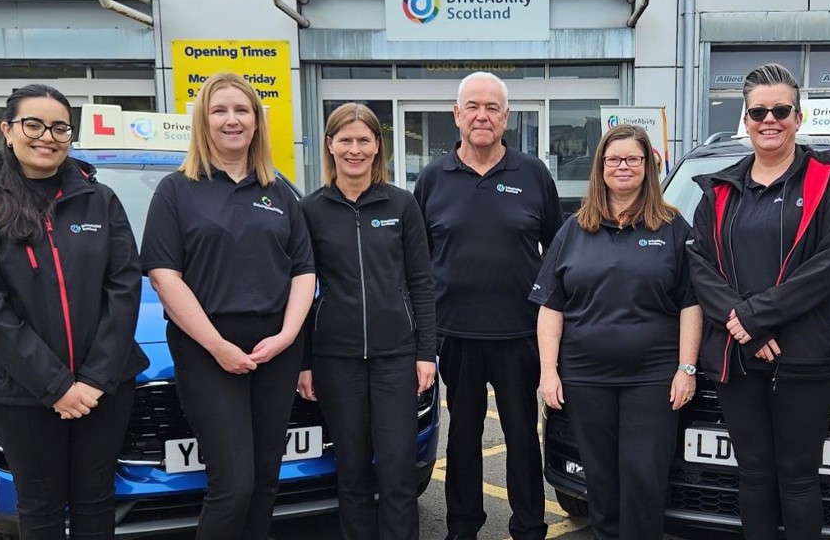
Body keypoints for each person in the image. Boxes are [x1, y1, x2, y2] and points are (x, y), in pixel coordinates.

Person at [687, 63, 830, 540]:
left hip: (805, 354)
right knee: (755, 473)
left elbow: (829, 265)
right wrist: (747, 326)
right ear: (745, 119)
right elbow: (700, 265)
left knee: (798, 475)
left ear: (798, 117)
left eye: (780, 110)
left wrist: (755, 317)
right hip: (737, 352)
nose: (770, 119)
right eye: (758, 111)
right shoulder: (719, 189)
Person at [141, 73, 315, 540]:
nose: (232, 120)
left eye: (242, 110)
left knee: (264, 482)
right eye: (220, 110)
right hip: (206, 349)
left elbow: (304, 270)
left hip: (275, 349)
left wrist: (286, 337)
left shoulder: (279, 191)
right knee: (233, 484)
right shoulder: (177, 191)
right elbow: (164, 276)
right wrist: (217, 345)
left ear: (257, 123)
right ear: (203, 121)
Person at [0, 85, 148, 540]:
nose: (47, 137)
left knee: (97, 501)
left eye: (59, 127)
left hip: (104, 387)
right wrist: (56, 386)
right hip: (23, 391)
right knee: (41, 509)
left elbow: (124, 284)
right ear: (7, 130)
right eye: (33, 124)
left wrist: (94, 379)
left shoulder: (100, 199)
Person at [531, 124, 702, 539]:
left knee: (644, 476)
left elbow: (691, 303)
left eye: (632, 159)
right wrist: (549, 372)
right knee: (601, 481)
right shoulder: (573, 230)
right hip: (586, 376)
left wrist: (687, 368)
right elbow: (551, 306)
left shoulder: (674, 229)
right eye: (613, 159)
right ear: (601, 167)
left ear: (648, 167)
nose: (622, 166)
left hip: (652, 377)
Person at [413, 71, 562, 540]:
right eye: (472, 106)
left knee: (520, 437)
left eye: (492, 107)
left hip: (519, 332)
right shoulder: (433, 179)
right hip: (455, 332)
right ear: (456, 116)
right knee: (462, 438)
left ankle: (530, 526)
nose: (482, 115)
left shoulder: (533, 173)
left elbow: (557, 254)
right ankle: (462, 527)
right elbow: (415, 262)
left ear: (506, 117)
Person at [296, 103, 436, 540]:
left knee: (397, 471)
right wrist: (304, 362)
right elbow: (298, 292)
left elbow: (421, 283)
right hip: (336, 359)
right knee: (352, 472)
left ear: (378, 147)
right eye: (345, 140)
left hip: (396, 356)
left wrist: (426, 353)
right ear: (330, 146)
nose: (354, 149)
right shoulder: (310, 210)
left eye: (364, 140)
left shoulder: (402, 205)